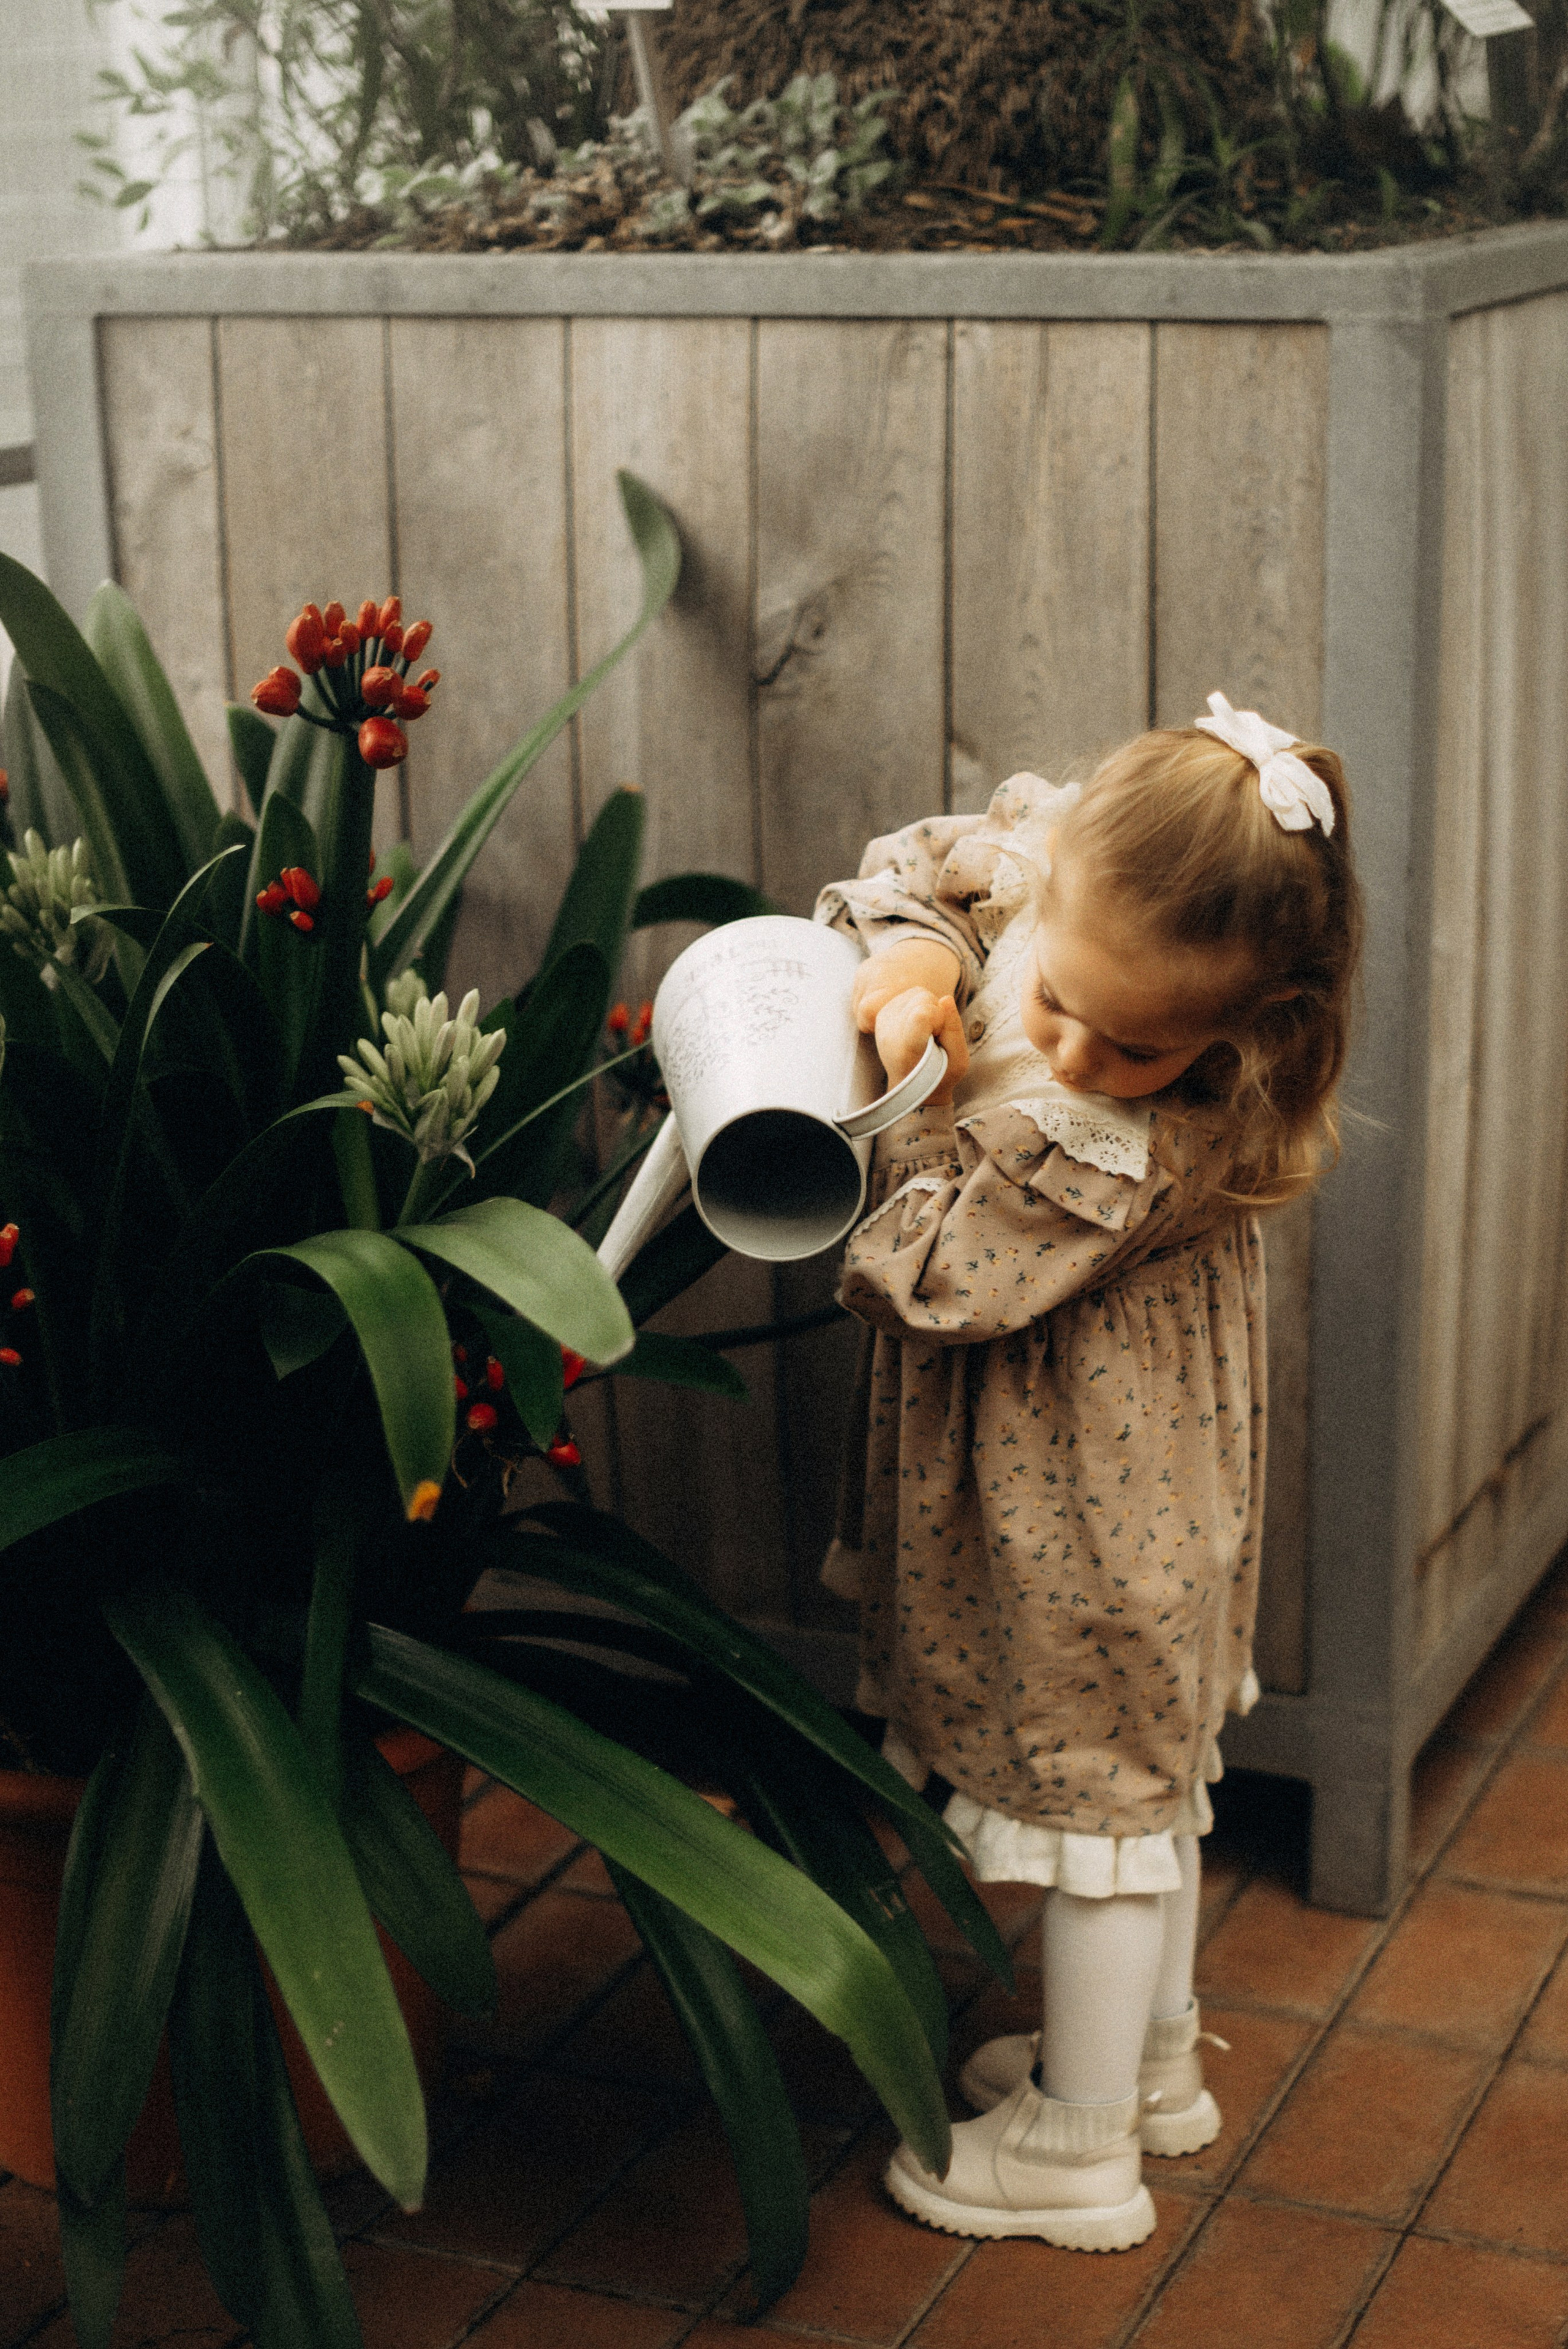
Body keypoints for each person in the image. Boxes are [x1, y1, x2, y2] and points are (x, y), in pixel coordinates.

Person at [814, 694, 1362, 2250]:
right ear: (1055, 884)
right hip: (1133, 1511)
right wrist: (923, 961)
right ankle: (1148, 2061)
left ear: (1249, 1035)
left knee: (1104, 1817)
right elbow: (935, 863)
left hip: (1081, 1536)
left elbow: (921, 1273)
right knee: (1145, 1790)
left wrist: (915, 1102)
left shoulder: (1114, 1147)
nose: (1070, 1051)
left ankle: (1075, 2148)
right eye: (1055, 1000)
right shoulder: (1058, 879)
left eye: (1137, 1043)